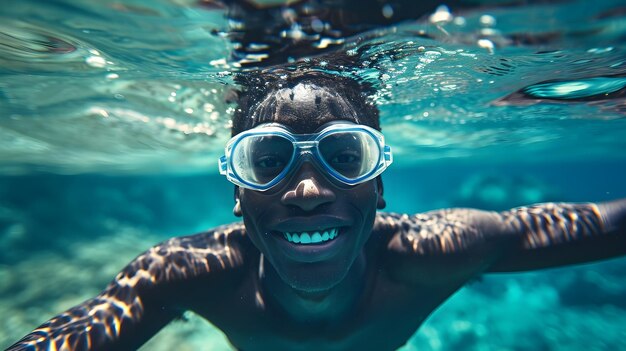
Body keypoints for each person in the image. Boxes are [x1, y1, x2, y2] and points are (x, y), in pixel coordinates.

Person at [7, 69, 626, 351]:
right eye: (268, 160)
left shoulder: (438, 252)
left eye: (345, 157)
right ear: (237, 190)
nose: (307, 191)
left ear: (380, 185)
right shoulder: (187, 273)